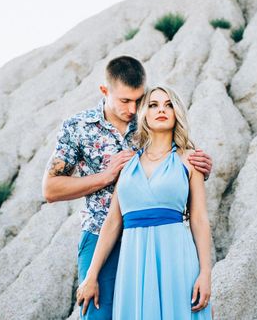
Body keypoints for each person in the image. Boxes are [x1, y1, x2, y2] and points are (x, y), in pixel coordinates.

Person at [42, 56, 213, 320]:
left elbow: (178, 166)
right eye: (124, 101)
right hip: (102, 232)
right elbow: (51, 189)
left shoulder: (149, 118)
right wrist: (106, 176)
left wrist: (199, 169)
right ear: (104, 91)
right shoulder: (77, 127)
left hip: (160, 238)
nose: (133, 109)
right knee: (96, 314)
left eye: (139, 100)